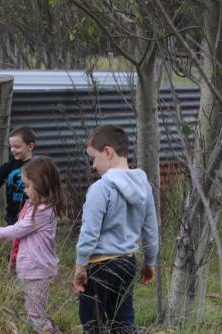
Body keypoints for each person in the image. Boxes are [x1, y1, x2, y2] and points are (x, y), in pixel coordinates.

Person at [73, 125, 159, 333]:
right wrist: (149, 262)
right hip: (127, 262)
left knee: (93, 322)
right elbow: (150, 229)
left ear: (108, 152)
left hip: (99, 265)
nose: (93, 165)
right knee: (123, 320)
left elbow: (89, 232)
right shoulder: (144, 187)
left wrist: (80, 265)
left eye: (93, 158)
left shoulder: (100, 189)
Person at [0, 156, 67, 334]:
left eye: (27, 186)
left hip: (37, 270)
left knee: (36, 315)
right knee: (34, 311)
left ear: (41, 185)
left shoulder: (42, 212)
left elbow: (16, 231)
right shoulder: (34, 206)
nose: (25, 191)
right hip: (32, 268)